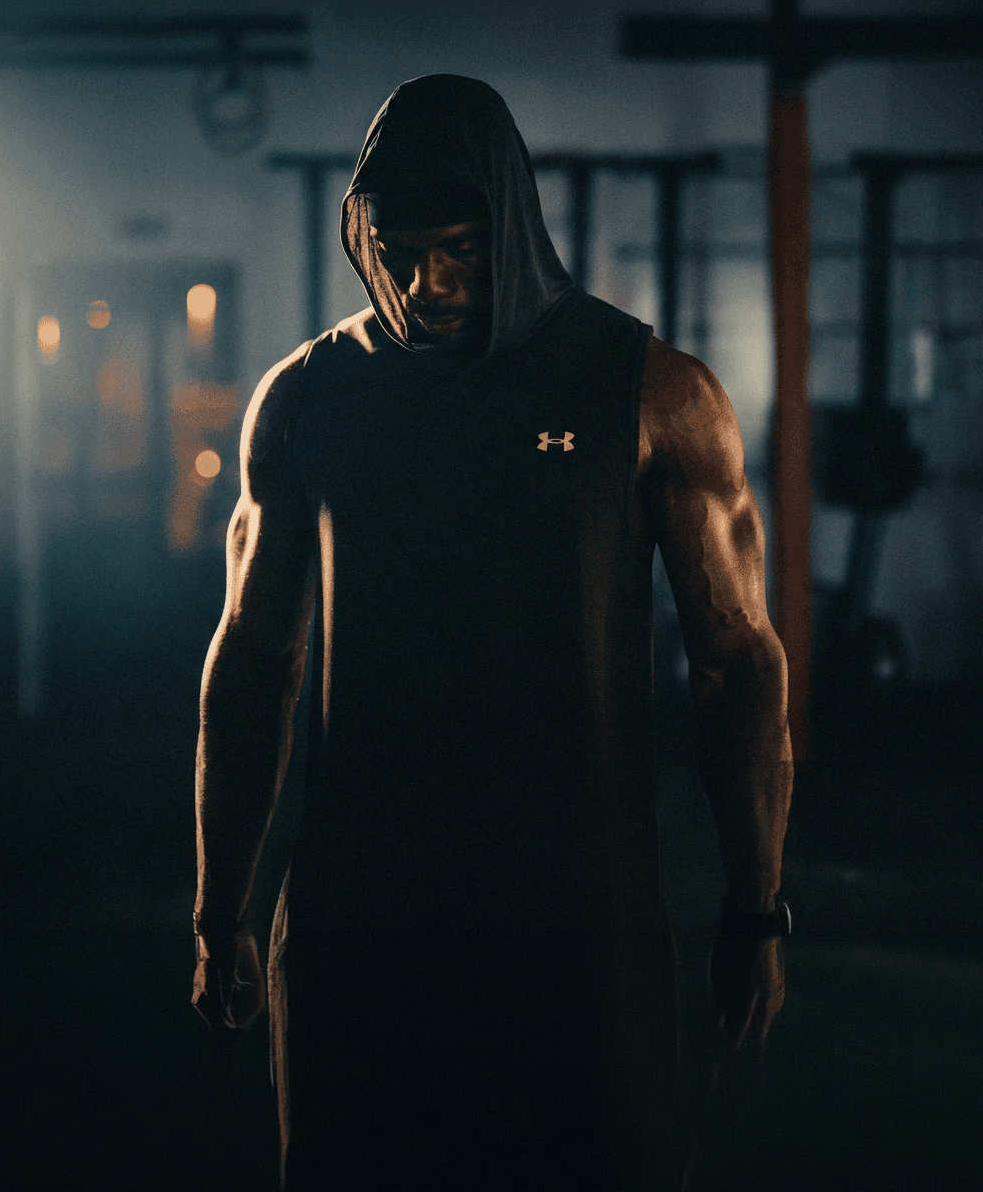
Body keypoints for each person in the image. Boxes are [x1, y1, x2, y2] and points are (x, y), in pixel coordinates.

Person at [191, 74, 792, 1191]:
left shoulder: (651, 392)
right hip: (359, 924)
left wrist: (757, 912)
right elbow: (250, 660)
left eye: (459, 249)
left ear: (509, 228)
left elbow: (736, 661)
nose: (428, 283)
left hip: (578, 922)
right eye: (398, 251)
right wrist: (219, 911)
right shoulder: (307, 399)